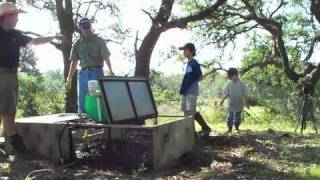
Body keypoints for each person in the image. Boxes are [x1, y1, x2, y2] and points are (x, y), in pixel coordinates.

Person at [0, 2, 66, 154]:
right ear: (7, 16)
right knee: (8, 111)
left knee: (3, 111)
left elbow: (34, 41)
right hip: (2, 75)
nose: (18, 18)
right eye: (16, 15)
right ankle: (19, 148)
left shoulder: (15, 34)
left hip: (11, 75)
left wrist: (53, 37)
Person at [66, 18, 114, 114]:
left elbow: (106, 57)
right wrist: (69, 77)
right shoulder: (77, 43)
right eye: (84, 27)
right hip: (83, 73)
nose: (86, 29)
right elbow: (74, 62)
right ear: (80, 28)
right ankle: (84, 122)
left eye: (88, 26)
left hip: (96, 72)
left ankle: (98, 120)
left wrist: (111, 70)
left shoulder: (99, 40)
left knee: (97, 97)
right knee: (83, 98)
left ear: (91, 27)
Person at [179, 43, 211, 137]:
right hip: (185, 92)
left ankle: (193, 134)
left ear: (191, 51)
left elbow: (200, 76)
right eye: (183, 50)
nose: (183, 52)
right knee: (186, 112)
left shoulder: (194, 63)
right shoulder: (189, 63)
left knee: (190, 113)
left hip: (191, 92)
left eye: (185, 50)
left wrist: (192, 86)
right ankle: (195, 131)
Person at [220, 68, 249, 133]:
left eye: (231, 76)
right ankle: (229, 128)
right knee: (230, 117)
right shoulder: (229, 84)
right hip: (231, 104)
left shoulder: (242, 84)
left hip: (239, 104)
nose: (229, 78)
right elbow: (227, 94)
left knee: (238, 117)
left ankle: (237, 127)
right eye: (229, 77)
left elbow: (245, 94)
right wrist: (222, 100)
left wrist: (247, 103)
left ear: (236, 75)